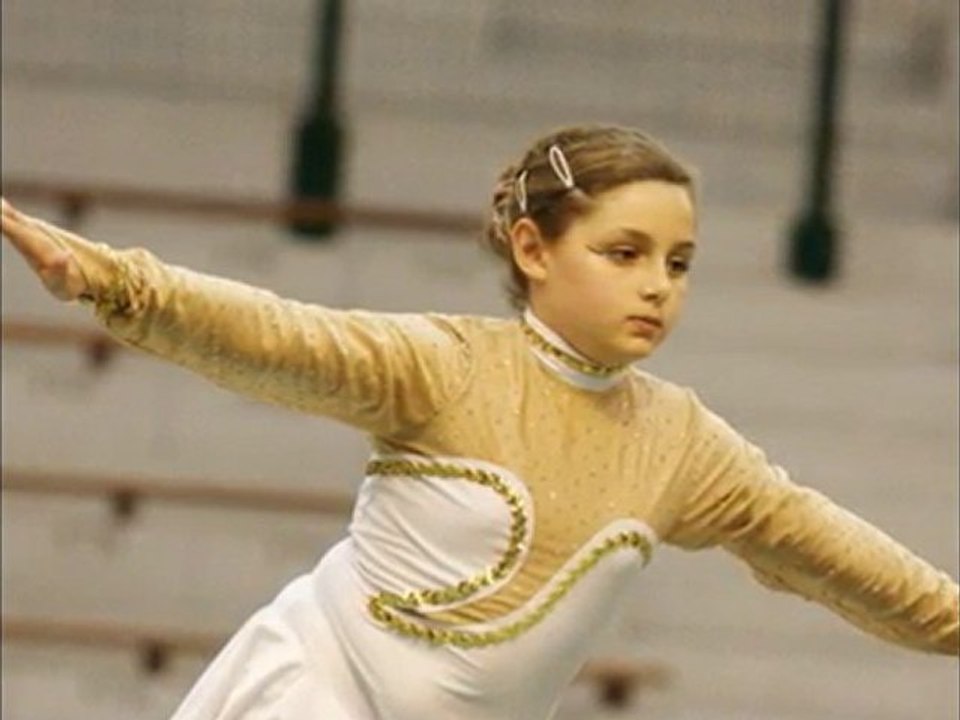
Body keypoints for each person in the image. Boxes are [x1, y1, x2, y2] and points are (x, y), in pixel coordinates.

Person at [1, 124, 957, 720]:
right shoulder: (449, 368)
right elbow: (282, 339)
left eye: (679, 263)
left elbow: (829, 550)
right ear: (534, 249)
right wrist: (114, 281)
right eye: (624, 253)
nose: (658, 286)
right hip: (312, 695)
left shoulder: (682, 445)